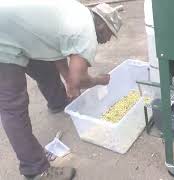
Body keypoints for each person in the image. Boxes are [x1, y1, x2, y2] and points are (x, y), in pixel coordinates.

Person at [0, 0, 122, 179]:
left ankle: (59, 103)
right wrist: (97, 80)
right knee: (13, 106)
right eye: (110, 35)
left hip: (15, 29)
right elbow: (77, 79)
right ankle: (36, 170)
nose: (108, 41)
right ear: (102, 26)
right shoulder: (87, 33)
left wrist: (69, 83)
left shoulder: (76, 15)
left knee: (45, 67)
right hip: (4, 39)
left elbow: (54, 49)